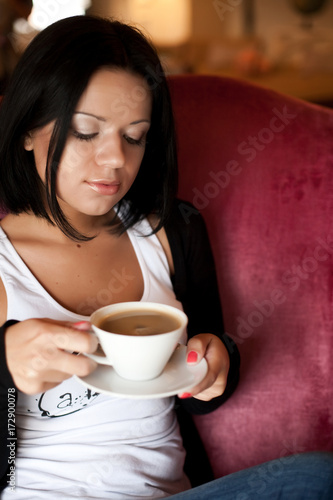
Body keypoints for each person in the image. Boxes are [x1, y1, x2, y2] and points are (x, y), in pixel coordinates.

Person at [0, 15, 332, 500]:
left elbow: (206, 362)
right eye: (86, 132)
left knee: (317, 477)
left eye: (134, 136)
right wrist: (4, 366)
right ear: (29, 130)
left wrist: (218, 364)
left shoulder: (170, 231)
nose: (115, 158)